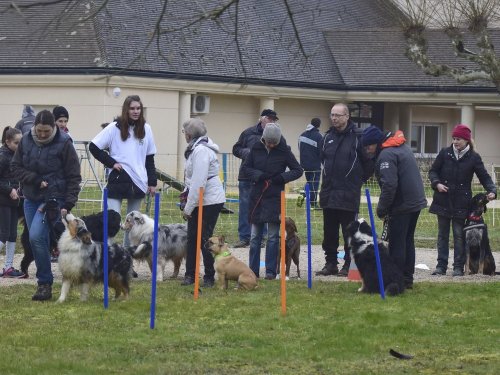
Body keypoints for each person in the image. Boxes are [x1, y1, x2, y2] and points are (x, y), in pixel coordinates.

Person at [11, 110, 81, 300]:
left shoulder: (65, 143)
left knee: (35, 236)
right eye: (39, 130)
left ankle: (44, 282)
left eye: (46, 131)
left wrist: (69, 202)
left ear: (54, 128)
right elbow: (15, 167)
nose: (42, 134)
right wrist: (33, 179)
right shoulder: (25, 140)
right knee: (36, 239)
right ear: (35, 127)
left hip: (53, 199)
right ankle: (45, 284)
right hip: (31, 197)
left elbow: (74, 176)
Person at [361, 125, 427, 289]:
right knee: (407, 241)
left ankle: (395, 282)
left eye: (369, 145)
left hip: (402, 204)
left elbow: (390, 186)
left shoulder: (386, 155)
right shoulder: (401, 146)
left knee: (397, 243)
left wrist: (382, 209)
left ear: (376, 143)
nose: (367, 150)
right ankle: (407, 279)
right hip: (415, 202)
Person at [428, 124, 496, 277]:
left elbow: (484, 177)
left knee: (459, 236)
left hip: (461, 202)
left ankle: (458, 267)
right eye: (453, 138)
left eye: (458, 139)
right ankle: (441, 266)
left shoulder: (474, 157)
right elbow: (433, 171)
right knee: (442, 235)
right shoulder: (445, 153)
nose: (455, 141)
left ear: (466, 140)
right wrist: (436, 183)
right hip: (443, 201)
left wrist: (492, 191)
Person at [89, 95, 157, 247]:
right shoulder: (114, 128)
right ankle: (107, 257)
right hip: (118, 179)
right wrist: (111, 163)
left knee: (132, 226)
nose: (135, 111)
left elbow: (149, 158)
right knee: (112, 221)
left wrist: (152, 182)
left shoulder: (147, 129)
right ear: (126, 109)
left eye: (138, 108)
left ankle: (127, 259)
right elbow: (93, 147)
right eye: (132, 108)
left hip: (139, 181)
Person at [317, 103, 374, 277]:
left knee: (348, 231)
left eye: (338, 115)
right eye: (332, 115)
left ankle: (349, 264)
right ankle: (331, 263)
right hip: (329, 192)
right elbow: (323, 160)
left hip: (349, 194)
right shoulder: (327, 137)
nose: (334, 118)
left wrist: (357, 180)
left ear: (347, 116)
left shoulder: (359, 137)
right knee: (329, 232)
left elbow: (369, 163)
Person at [241, 123, 303, 279]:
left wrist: (281, 178)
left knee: (274, 237)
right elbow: (246, 168)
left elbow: (298, 170)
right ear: (263, 139)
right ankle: (253, 271)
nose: (271, 145)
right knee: (255, 237)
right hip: (258, 197)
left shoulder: (284, 150)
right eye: (269, 142)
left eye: (274, 143)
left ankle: (271, 271)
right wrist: (259, 175)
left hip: (275, 198)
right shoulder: (255, 148)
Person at [180, 118, 226, 287]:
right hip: (202, 198)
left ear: (189, 134)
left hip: (209, 200)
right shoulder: (197, 149)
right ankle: (190, 275)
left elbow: (199, 182)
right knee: (192, 238)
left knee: (204, 239)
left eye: (184, 132)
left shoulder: (200, 151)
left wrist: (188, 207)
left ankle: (209, 276)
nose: (184, 135)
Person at [232, 109, 278, 248]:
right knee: (245, 207)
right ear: (261, 119)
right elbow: (236, 149)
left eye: (274, 120)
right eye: (269, 118)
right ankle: (244, 237)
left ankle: (262, 237)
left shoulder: (276, 135)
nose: (271, 122)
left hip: (264, 178)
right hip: (246, 177)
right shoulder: (248, 133)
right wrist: (246, 152)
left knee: (263, 207)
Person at [0, 126, 25, 278]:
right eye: (16, 143)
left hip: (14, 202)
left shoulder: (17, 156)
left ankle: (8, 267)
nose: (19, 146)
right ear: (7, 141)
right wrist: (9, 190)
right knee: (3, 234)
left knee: (12, 234)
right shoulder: (2, 157)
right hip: (3, 201)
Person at [298, 117, 322, 208]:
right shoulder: (318, 136)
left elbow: (299, 148)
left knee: (309, 182)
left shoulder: (302, 134)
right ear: (318, 125)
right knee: (314, 184)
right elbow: (321, 152)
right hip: (315, 165)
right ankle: (313, 203)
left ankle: (302, 194)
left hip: (304, 164)